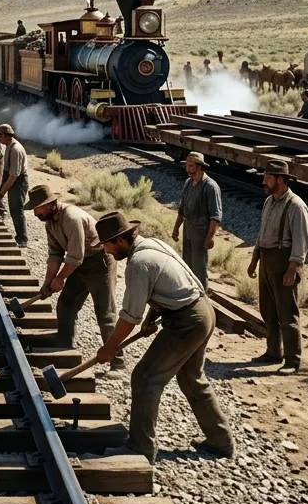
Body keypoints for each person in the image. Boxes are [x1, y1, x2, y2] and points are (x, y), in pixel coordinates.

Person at [93, 212, 233, 462]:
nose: (107, 252)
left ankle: (140, 448)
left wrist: (109, 348)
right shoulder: (152, 245)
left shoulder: (138, 264)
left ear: (120, 242)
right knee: (192, 377)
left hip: (187, 321)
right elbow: (164, 285)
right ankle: (221, 441)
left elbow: (128, 317)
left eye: (107, 246)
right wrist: (151, 317)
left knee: (145, 377)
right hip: (202, 311)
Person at [24, 185, 120, 370]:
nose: (35, 213)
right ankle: (65, 344)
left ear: (51, 204)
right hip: (79, 263)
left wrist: (59, 279)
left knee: (105, 314)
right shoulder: (50, 222)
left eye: (38, 208)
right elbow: (55, 254)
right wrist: (47, 282)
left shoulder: (71, 218)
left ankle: (118, 362)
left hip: (99, 263)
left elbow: (75, 256)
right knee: (66, 304)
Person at [247, 161, 308, 374]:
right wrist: (255, 259)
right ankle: (273, 352)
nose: (264, 181)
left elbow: (301, 243)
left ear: (280, 180)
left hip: (283, 263)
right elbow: (262, 234)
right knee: (268, 310)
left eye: (268, 178)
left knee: (287, 313)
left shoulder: (296, 206)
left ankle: (292, 361)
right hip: (267, 259)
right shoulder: (269, 202)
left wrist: (292, 269)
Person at [172, 152, 221, 288]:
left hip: (200, 232)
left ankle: (202, 296)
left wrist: (209, 238)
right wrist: (176, 228)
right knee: (187, 265)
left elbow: (215, 217)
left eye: (191, 166)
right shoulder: (188, 183)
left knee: (199, 268)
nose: (187, 169)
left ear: (199, 167)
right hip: (188, 229)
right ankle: (190, 294)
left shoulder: (211, 187)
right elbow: (182, 209)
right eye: (187, 166)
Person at [0, 124, 29, 245]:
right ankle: (19, 237)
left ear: (5, 136)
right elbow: (7, 170)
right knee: (13, 209)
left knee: (17, 209)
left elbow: (14, 175)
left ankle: (22, 239)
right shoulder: (9, 146)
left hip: (19, 182)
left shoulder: (16, 150)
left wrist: (2, 191)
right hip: (14, 180)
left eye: (0, 136)